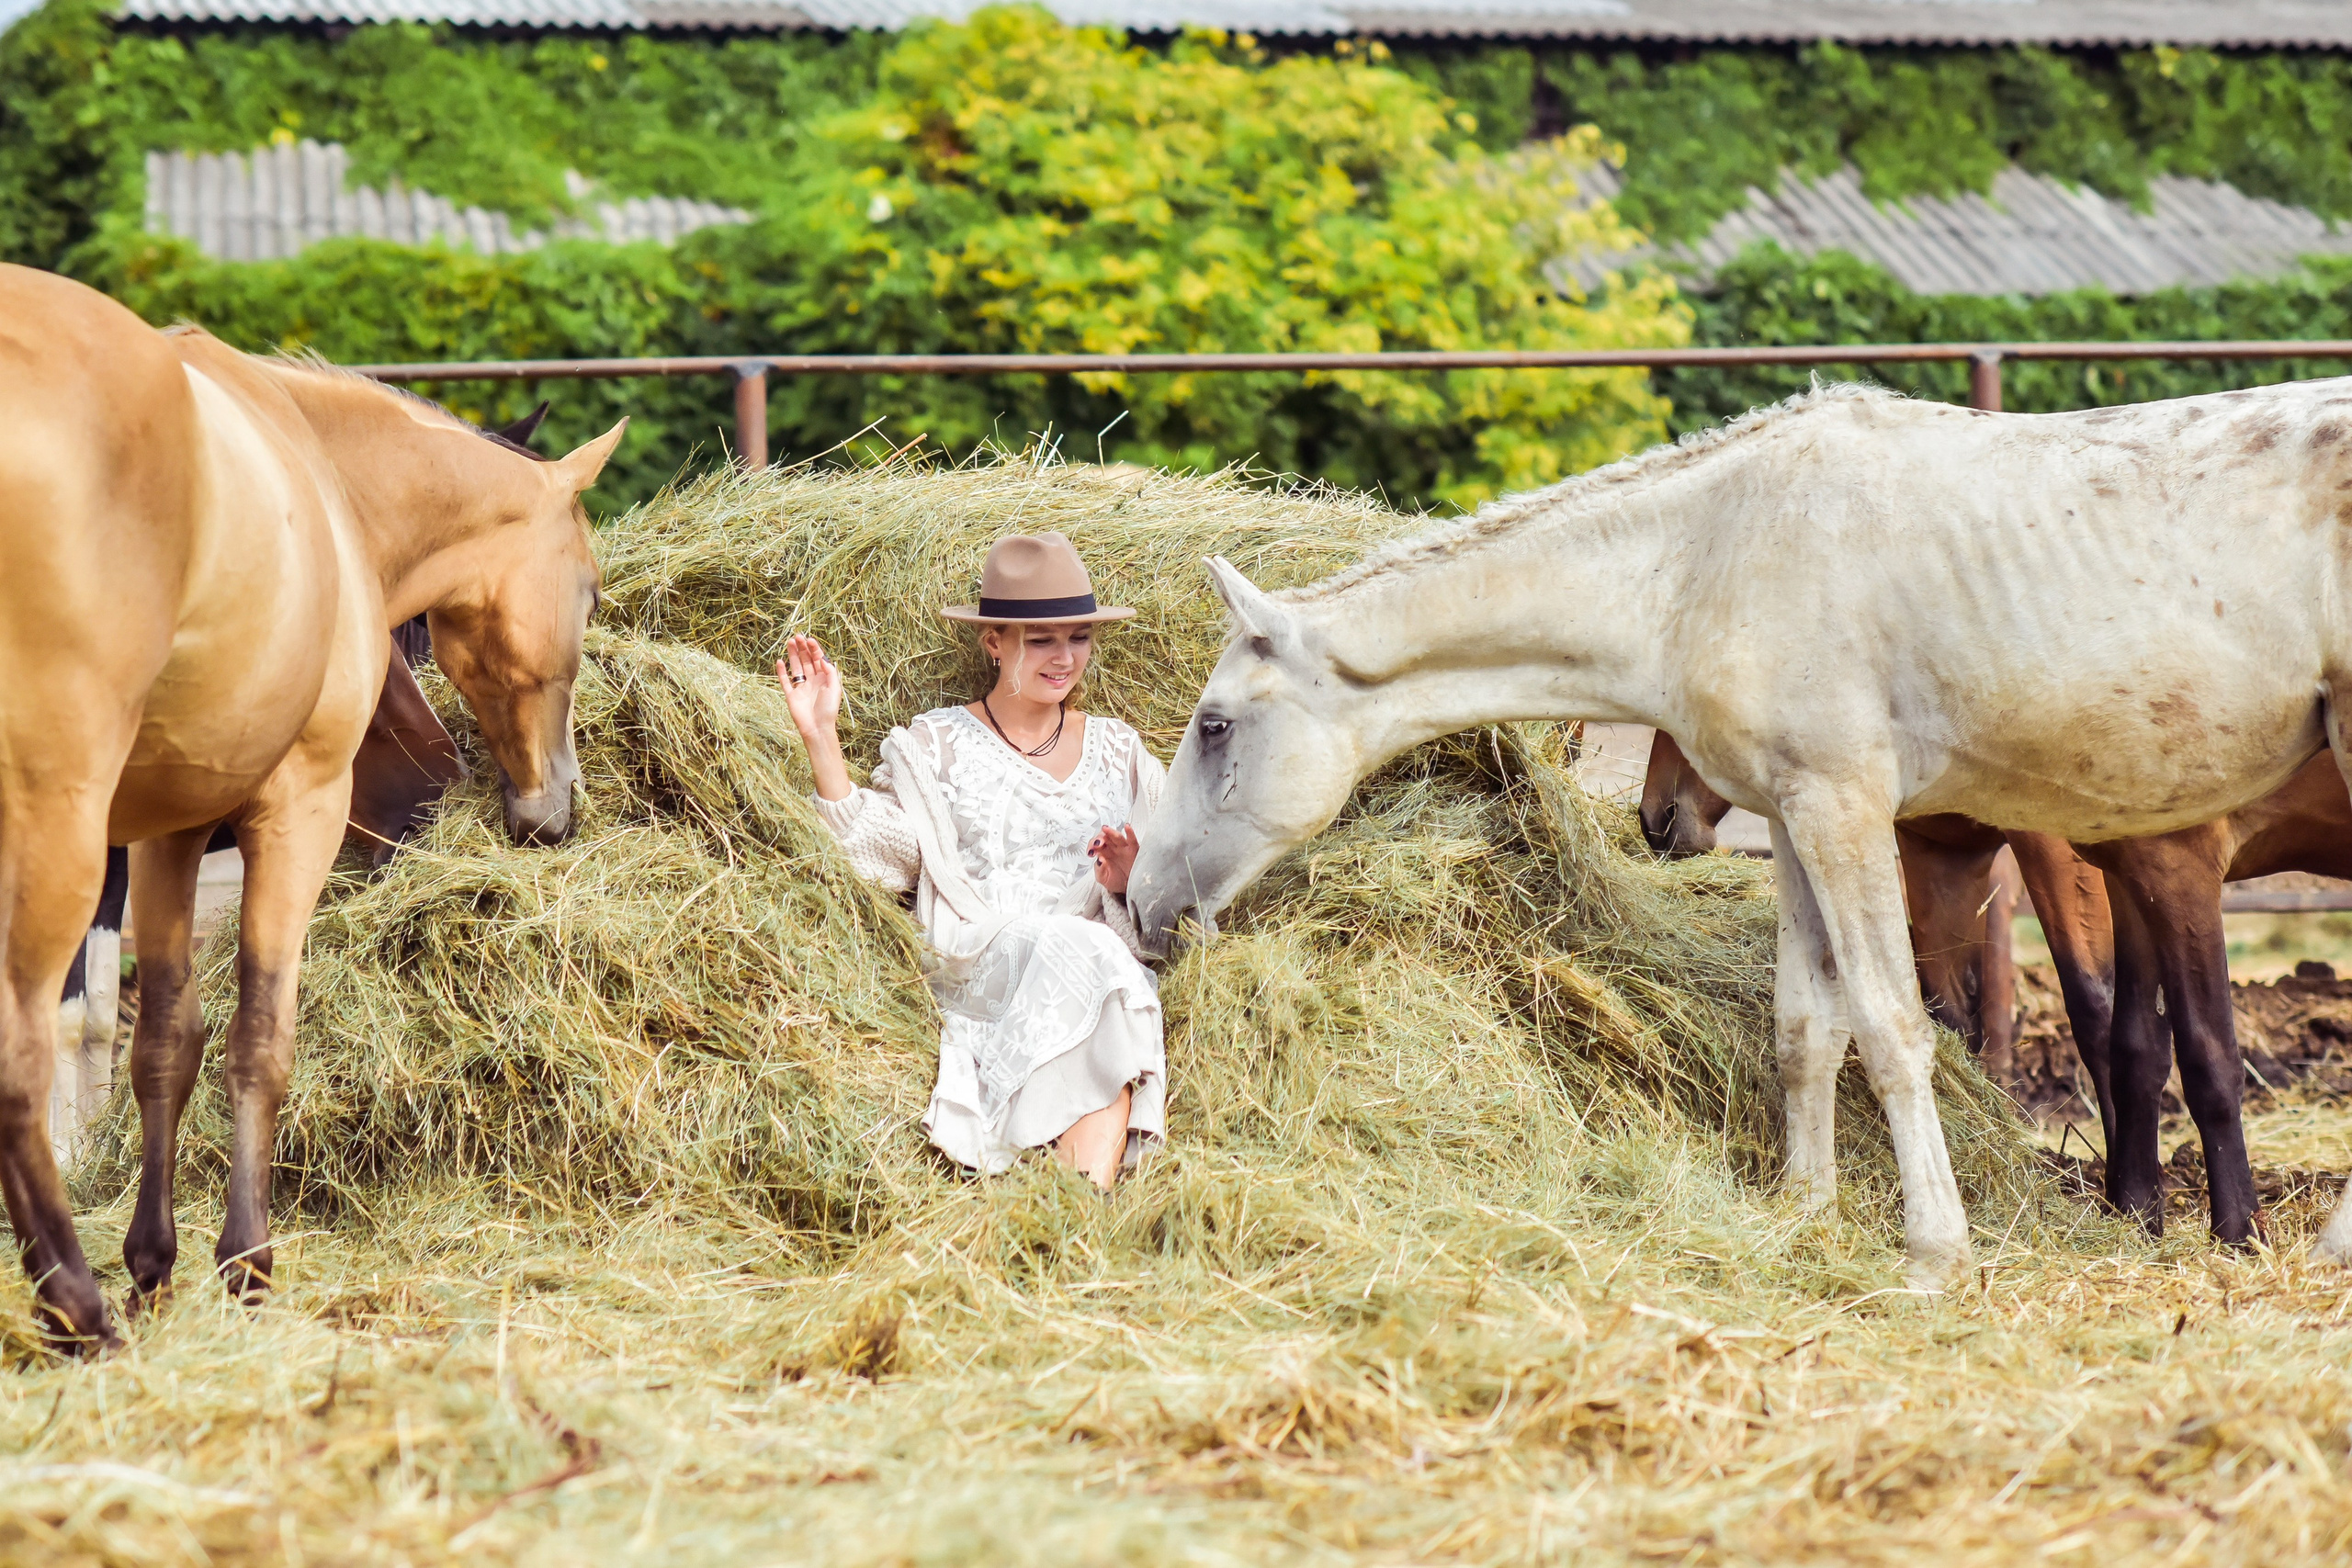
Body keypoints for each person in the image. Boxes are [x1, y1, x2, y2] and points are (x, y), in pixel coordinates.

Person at [778, 533, 1166, 1189]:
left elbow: (1171, 894)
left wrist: (1130, 882)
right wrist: (822, 740)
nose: (1065, 657)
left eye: (1079, 637)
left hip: (1095, 959)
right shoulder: (938, 742)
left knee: (1108, 976)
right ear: (994, 642)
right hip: (984, 954)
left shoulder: (1119, 748)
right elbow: (888, 856)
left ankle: (1076, 1214)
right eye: (1041, 640)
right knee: (1102, 969)